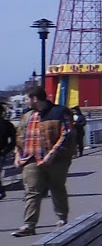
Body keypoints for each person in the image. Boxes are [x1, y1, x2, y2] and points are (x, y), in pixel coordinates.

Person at [13, 84, 71, 237]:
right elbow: (19, 136)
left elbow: (66, 134)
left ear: (35, 98)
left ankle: (62, 218)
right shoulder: (27, 115)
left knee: (57, 188)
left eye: (26, 99)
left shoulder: (59, 112)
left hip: (55, 159)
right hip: (31, 158)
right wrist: (17, 155)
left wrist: (52, 153)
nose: (25, 102)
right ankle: (29, 224)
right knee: (32, 191)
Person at [0, 110, 15, 200]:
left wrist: (5, 150)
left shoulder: (6, 124)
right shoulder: (7, 124)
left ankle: (1, 191)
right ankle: (1, 190)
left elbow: (14, 140)